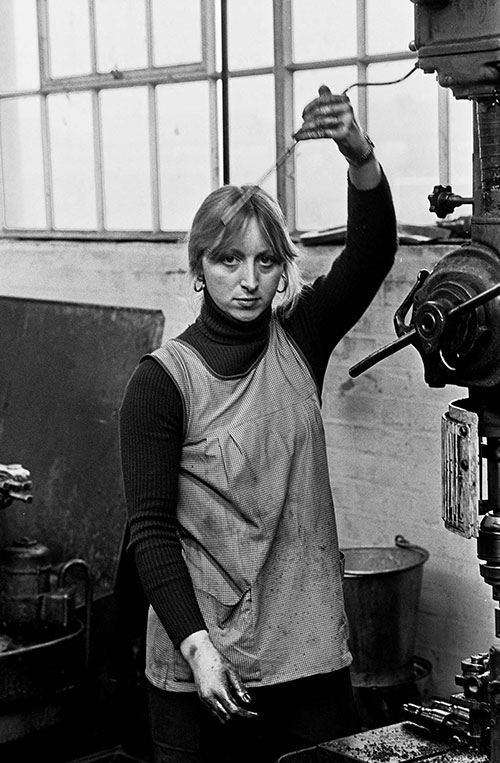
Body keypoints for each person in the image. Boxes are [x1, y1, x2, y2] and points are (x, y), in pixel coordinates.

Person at [119, 86, 398, 763]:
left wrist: (358, 153)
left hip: (307, 651)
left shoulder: (299, 341)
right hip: (205, 662)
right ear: (199, 268)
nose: (248, 279)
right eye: (227, 259)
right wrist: (199, 651)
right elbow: (152, 535)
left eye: (265, 260)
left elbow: (370, 255)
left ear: (282, 270)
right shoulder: (161, 382)